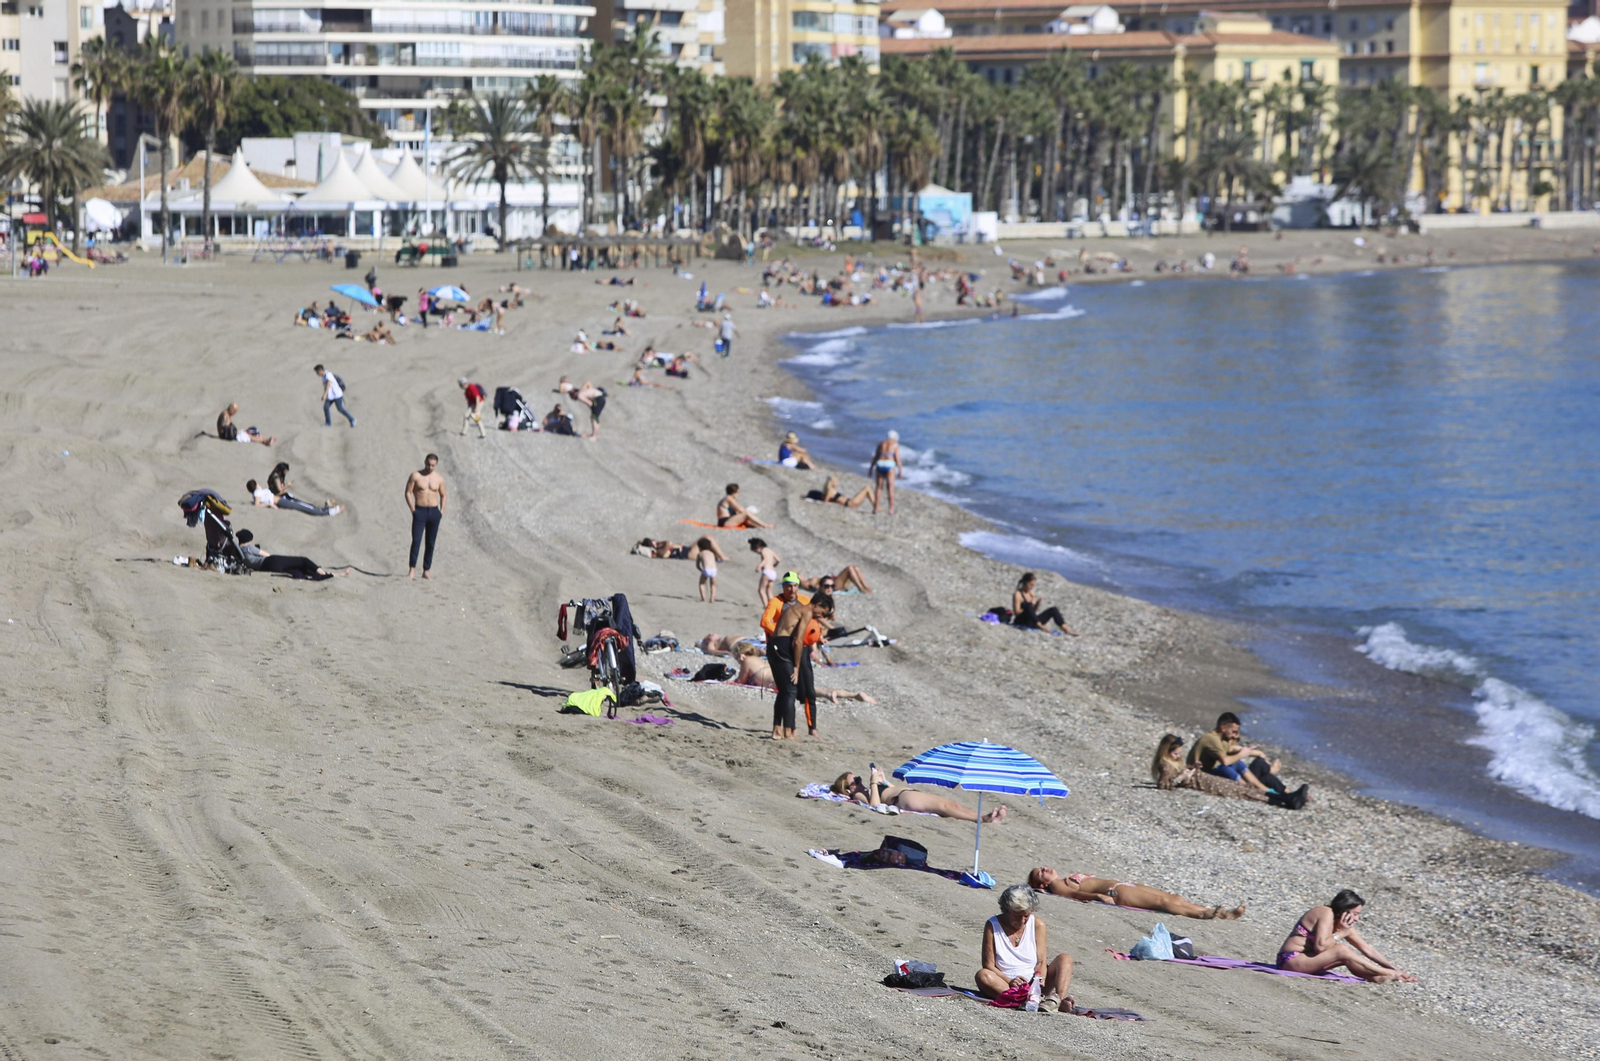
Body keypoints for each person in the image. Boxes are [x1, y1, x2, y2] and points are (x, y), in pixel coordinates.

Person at [1276, 890, 1416, 982]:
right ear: (1344, 910)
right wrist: (1341, 933)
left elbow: (1368, 950)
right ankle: (1386, 974)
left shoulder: (1343, 926)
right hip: (1290, 960)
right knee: (1341, 949)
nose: (1356, 919)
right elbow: (1320, 947)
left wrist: (1395, 969)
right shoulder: (1325, 912)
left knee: (1347, 956)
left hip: (1307, 962)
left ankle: (1379, 977)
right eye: (1355, 914)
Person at [977, 885, 1073, 1014]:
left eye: (1026, 916)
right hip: (1007, 984)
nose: (1022, 921)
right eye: (1017, 916)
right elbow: (988, 965)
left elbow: (1041, 961)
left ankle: (1056, 1000)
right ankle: (1029, 1000)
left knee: (1065, 959)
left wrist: (1039, 978)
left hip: (1035, 983)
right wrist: (1010, 981)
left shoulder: (1037, 924)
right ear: (1007, 911)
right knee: (983, 975)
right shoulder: (992, 925)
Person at [1028, 867, 1246, 921]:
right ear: (1042, 884)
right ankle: (1203, 914)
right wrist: (1097, 897)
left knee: (1175, 898)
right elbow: (1072, 896)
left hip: (1124, 885)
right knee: (1161, 901)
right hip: (1115, 892)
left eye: (1042, 867)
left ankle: (1219, 912)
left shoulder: (1064, 877)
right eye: (1041, 873)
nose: (1045, 869)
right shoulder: (1057, 886)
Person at [1188, 712, 1309, 807]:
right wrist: (1242, 754)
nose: (1234, 735)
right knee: (1230, 766)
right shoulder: (1211, 739)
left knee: (1262, 769)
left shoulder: (1219, 739)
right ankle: (1283, 796)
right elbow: (1225, 761)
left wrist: (1256, 753)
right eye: (1233, 732)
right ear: (1223, 727)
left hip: (1215, 774)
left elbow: (1231, 749)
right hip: (1204, 776)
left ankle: (1290, 794)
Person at [832, 765, 1003, 821]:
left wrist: (883, 781)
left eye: (859, 778)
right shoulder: (858, 795)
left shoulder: (868, 788)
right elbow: (875, 805)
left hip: (906, 793)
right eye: (855, 781)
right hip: (904, 799)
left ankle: (983, 817)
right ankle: (983, 819)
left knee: (951, 805)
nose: (859, 781)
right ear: (847, 789)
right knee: (945, 807)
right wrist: (873, 782)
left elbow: (890, 789)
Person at [1150, 734, 1272, 804]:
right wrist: (1182, 777)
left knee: (1236, 787)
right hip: (1201, 783)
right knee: (1235, 791)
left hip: (1202, 779)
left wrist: (1192, 767)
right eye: (1176, 754)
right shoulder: (1165, 765)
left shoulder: (1172, 762)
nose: (1178, 756)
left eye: (1179, 753)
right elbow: (1163, 785)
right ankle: (1271, 798)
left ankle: (1274, 796)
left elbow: (1179, 771)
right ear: (1166, 751)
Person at [235, 530, 349, 580]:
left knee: (298, 571)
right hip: (270, 561)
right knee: (303, 561)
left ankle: (332, 575)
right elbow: (267, 555)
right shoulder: (248, 547)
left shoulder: (239, 552)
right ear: (247, 540)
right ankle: (326, 574)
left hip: (264, 568)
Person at [405, 453, 446, 580]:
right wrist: (412, 508)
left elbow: (443, 495)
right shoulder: (416, 476)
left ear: (436, 465)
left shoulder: (439, 479)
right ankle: (412, 570)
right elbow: (408, 492)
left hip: (434, 512)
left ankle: (426, 570)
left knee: (430, 543)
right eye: (428, 464)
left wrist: (441, 511)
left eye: (433, 465)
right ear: (425, 462)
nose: (430, 467)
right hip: (420, 511)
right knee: (416, 540)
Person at [1012, 573, 1077, 635]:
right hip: (1021, 620)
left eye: (1033, 585)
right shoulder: (1018, 594)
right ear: (1025, 583)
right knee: (1029, 606)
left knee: (1053, 610)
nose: (1032, 587)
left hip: (1032, 620)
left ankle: (1066, 629)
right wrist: (1029, 605)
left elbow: (1033, 612)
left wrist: (1037, 603)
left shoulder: (1031, 593)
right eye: (1030, 585)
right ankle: (1040, 626)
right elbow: (1017, 612)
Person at [250, 473, 340, 517]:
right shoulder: (257, 492)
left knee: (304, 505)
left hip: (281, 499)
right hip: (280, 502)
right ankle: (329, 512)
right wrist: (269, 504)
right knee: (302, 508)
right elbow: (257, 505)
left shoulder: (258, 492)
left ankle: (325, 509)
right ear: (255, 485)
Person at [868, 430, 902, 515]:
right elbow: (897, 459)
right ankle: (891, 509)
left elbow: (876, 456)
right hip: (889, 465)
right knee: (890, 487)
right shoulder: (895, 445)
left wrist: (871, 468)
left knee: (879, 487)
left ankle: (875, 509)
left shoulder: (881, 443)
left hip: (880, 463)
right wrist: (900, 471)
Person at [806, 475, 872, 509]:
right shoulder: (830, 490)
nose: (838, 482)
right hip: (849, 503)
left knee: (867, 490)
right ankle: (876, 507)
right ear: (833, 482)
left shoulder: (831, 490)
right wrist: (837, 504)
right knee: (867, 488)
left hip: (849, 502)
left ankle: (876, 507)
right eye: (837, 481)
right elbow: (825, 502)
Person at [749, 537, 781, 604]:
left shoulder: (763, 550)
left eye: (754, 550)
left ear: (757, 547)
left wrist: (759, 566)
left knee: (761, 590)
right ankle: (773, 606)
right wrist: (774, 565)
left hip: (767, 572)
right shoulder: (770, 550)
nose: (756, 552)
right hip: (773, 573)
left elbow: (765, 559)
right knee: (769, 591)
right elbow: (778, 559)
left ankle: (766, 607)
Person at [799, 566, 871, 594]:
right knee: (849, 569)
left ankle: (866, 587)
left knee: (855, 567)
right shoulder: (806, 584)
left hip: (835, 582)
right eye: (799, 576)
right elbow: (818, 588)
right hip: (834, 585)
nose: (801, 575)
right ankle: (861, 588)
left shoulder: (808, 580)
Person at [696, 538, 719, 602]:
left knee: (702, 583)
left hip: (706, 570)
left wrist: (701, 570)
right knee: (713, 585)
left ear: (699, 547)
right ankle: (712, 599)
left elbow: (697, 566)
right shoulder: (712, 553)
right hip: (714, 570)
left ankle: (703, 598)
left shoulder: (700, 554)